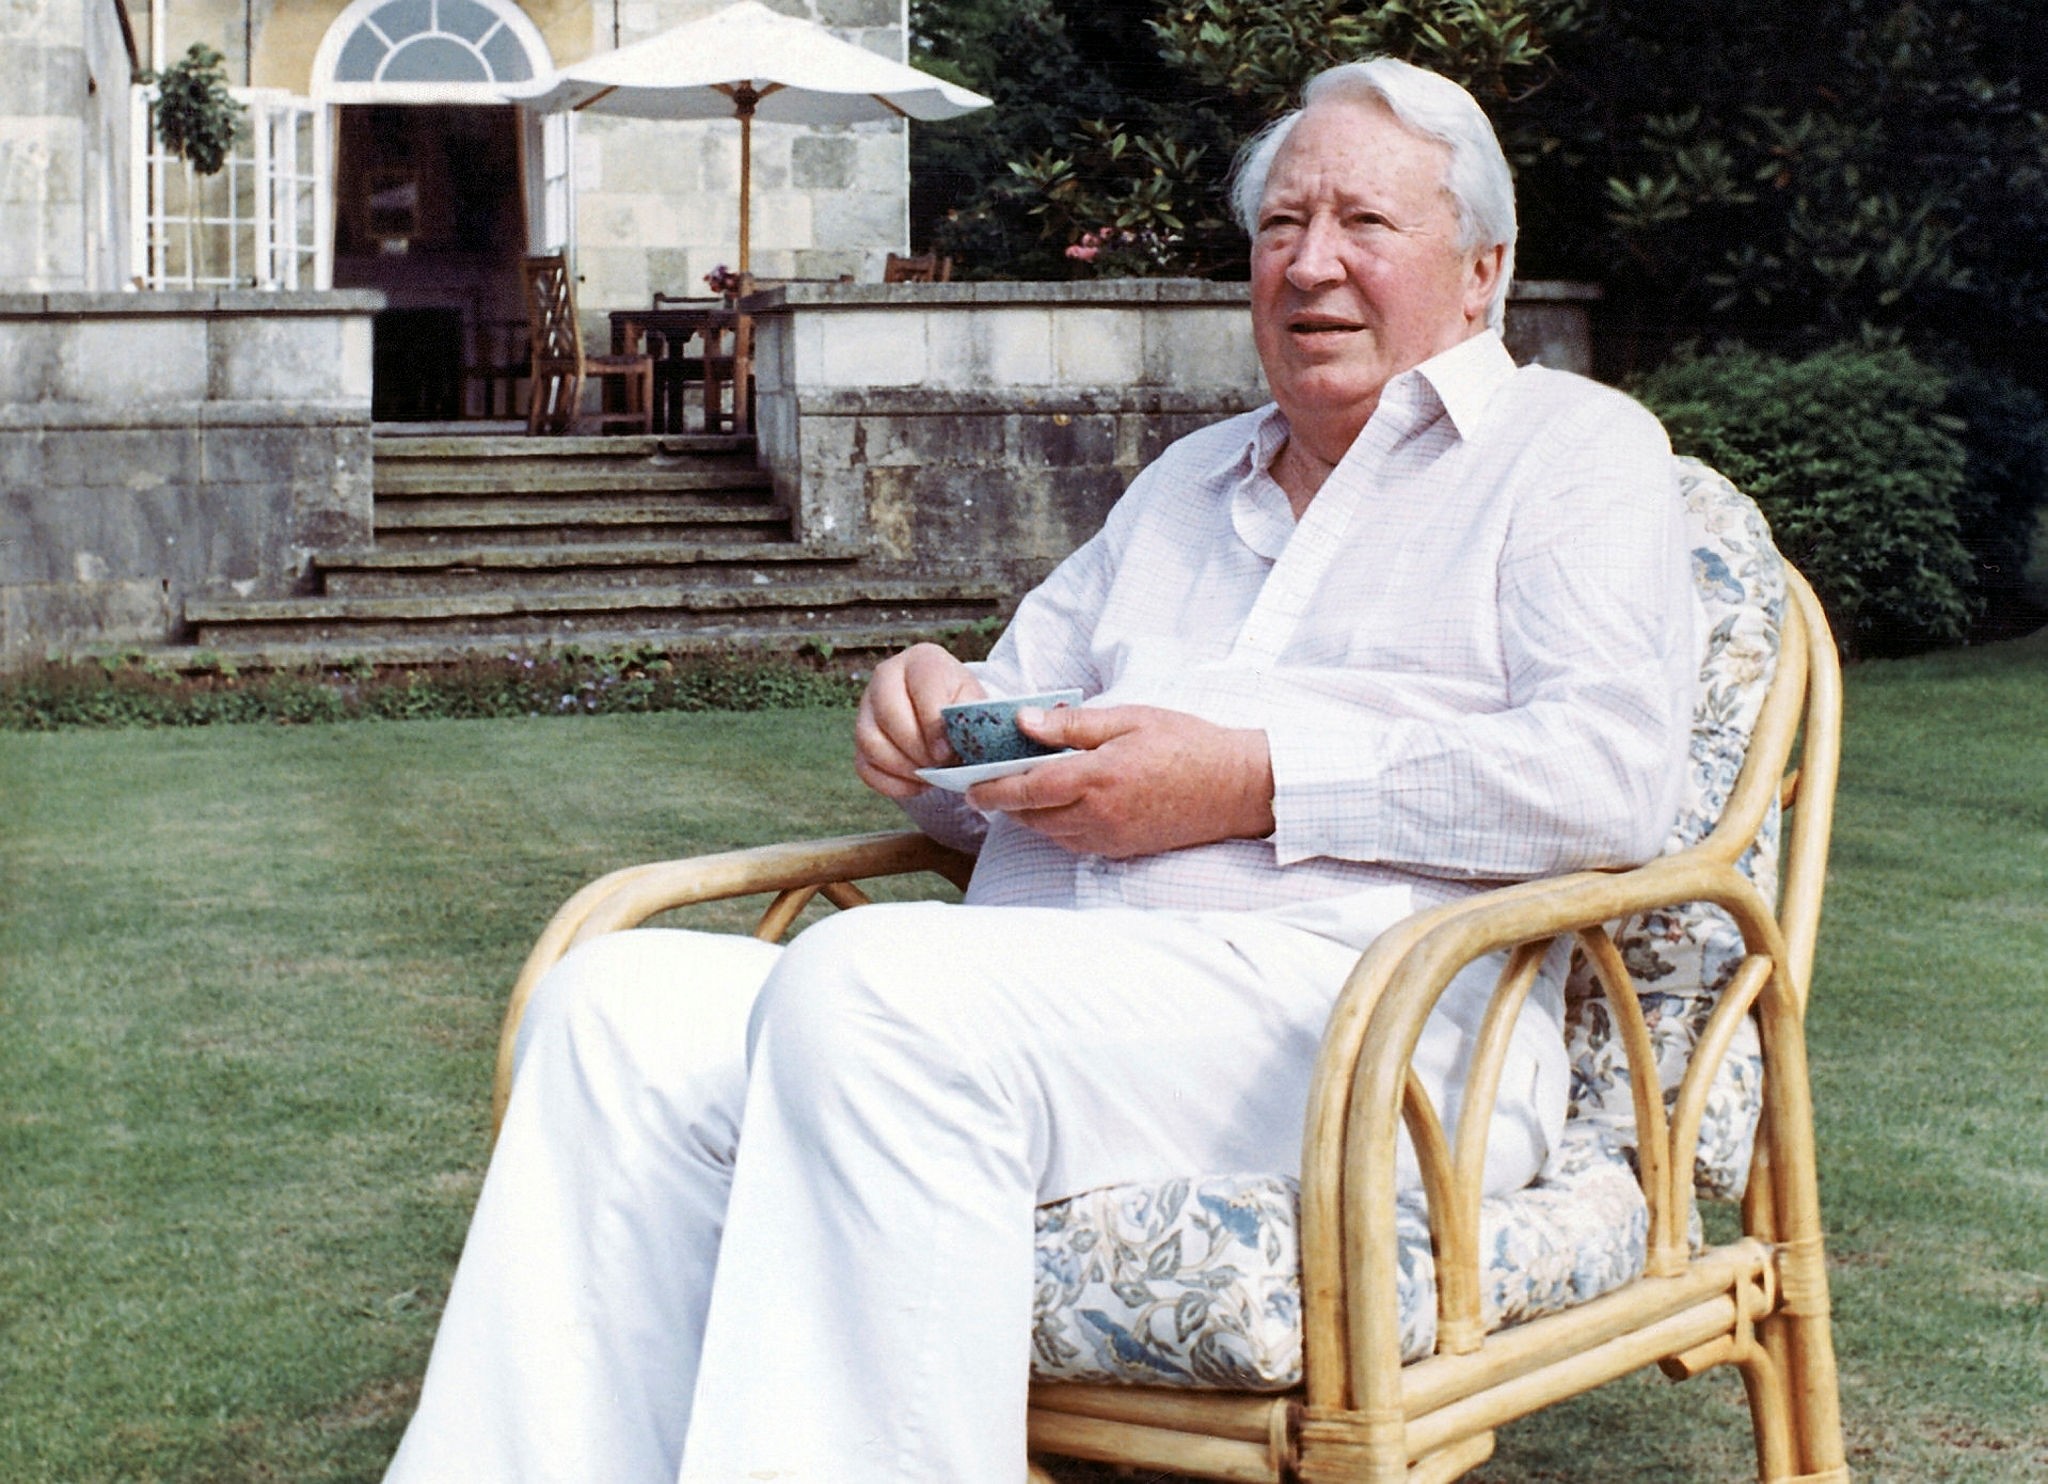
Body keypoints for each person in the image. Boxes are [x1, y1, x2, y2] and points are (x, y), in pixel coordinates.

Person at [383, 57, 1697, 1484]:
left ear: (1483, 268)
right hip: (1053, 996)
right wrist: (929, 721)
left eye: (1364, 225)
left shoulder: (1573, 456)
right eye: (1278, 229)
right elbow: (1014, 722)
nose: (1312, 265)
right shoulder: (1187, 485)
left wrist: (1252, 780)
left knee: (876, 989)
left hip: (1364, 1029)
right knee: (615, 1003)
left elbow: (1609, 775)